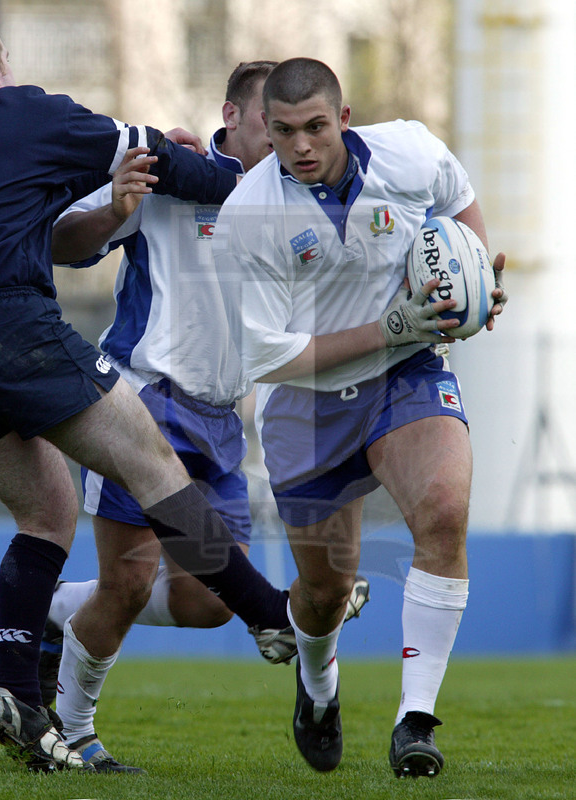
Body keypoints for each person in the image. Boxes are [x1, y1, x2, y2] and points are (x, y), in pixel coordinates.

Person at [0, 21, 302, 773]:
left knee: (47, 512)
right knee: (153, 464)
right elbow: (153, 154)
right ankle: (270, 612)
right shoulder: (24, 110)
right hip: (11, 324)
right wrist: (243, 189)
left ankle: (16, 695)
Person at [43, 61, 370, 773]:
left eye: (296, 129)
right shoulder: (170, 173)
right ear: (232, 117)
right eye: (271, 126)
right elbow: (64, 242)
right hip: (142, 401)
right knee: (130, 581)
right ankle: (71, 730)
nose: (285, 143)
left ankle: (58, 609)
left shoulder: (293, 204)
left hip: (222, 418)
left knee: (206, 603)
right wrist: (116, 208)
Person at [212, 57, 508, 778]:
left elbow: (458, 196)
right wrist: (389, 325)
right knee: (325, 593)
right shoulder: (247, 214)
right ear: (265, 129)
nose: (301, 145)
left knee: (443, 513)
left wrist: (477, 281)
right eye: (284, 131)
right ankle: (318, 687)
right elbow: (268, 357)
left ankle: (416, 721)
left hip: (405, 372)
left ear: (343, 119)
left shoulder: (408, 150)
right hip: (305, 402)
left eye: (316, 127)